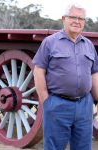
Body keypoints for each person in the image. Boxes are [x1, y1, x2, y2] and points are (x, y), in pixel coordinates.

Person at [32, 3, 98, 150]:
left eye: (81, 18)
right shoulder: (50, 43)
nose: (77, 21)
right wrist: (46, 102)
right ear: (64, 19)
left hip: (84, 106)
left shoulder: (89, 45)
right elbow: (38, 71)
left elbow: (94, 73)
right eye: (73, 17)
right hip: (57, 104)